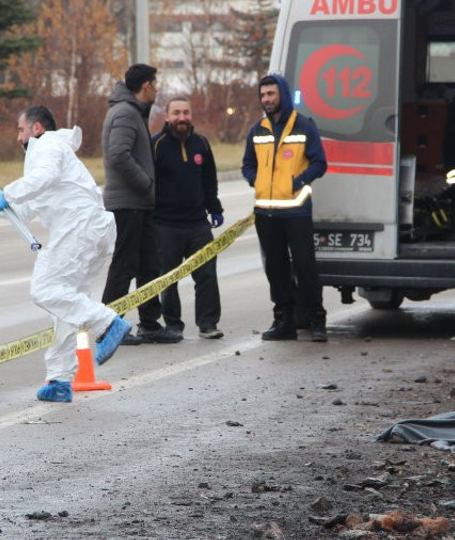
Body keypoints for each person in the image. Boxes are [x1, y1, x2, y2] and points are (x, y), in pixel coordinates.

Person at [0, 106, 131, 402]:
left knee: (45, 289)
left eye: (21, 130)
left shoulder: (47, 145)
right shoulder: (45, 158)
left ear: (36, 128)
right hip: (89, 230)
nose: (18, 137)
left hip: (79, 227)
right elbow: (22, 210)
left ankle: (108, 323)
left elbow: (42, 178)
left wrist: (7, 193)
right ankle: (59, 379)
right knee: (66, 305)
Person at [241, 73, 328, 342]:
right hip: (266, 212)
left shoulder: (304, 126)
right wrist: (256, 181)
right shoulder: (257, 130)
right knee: (276, 270)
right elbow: (247, 164)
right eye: (263, 95)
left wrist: (297, 182)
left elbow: (319, 163)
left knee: (305, 267)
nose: (266, 99)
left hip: (296, 210)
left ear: (282, 94)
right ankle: (284, 322)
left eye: (271, 94)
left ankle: (316, 320)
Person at [100, 63, 175, 344]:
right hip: (128, 202)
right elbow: (119, 154)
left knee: (148, 263)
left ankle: (150, 324)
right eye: (155, 84)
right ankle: (109, 327)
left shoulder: (132, 111)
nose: (157, 90)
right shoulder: (125, 112)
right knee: (125, 264)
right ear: (146, 86)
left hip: (139, 203)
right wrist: (146, 183)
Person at [151, 97, 225, 340]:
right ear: (167, 117)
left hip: (198, 224)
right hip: (165, 225)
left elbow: (209, 179)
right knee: (168, 279)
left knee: (207, 276)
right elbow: (148, 183)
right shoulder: (156, 145)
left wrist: (215, 208)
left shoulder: (201, 143)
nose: (181, 117)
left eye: (186, 112)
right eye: (176, 113)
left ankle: (208, 323)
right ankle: (173, 325)